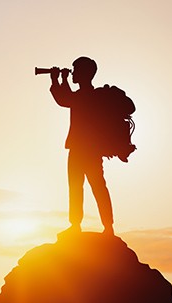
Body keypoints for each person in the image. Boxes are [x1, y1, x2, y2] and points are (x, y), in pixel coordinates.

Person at [48, 56, 114, 236]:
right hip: (84, 149)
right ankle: (93, 226)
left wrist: (57, 80)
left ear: (85, 74)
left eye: (75, 70)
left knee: (93, 186)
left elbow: (65, 99)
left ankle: (103, 226)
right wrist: (61, 80)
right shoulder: (89, 95)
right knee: (85, 186)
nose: (73, 72)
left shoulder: (89, 96)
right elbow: (68, 98)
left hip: (85, 149)